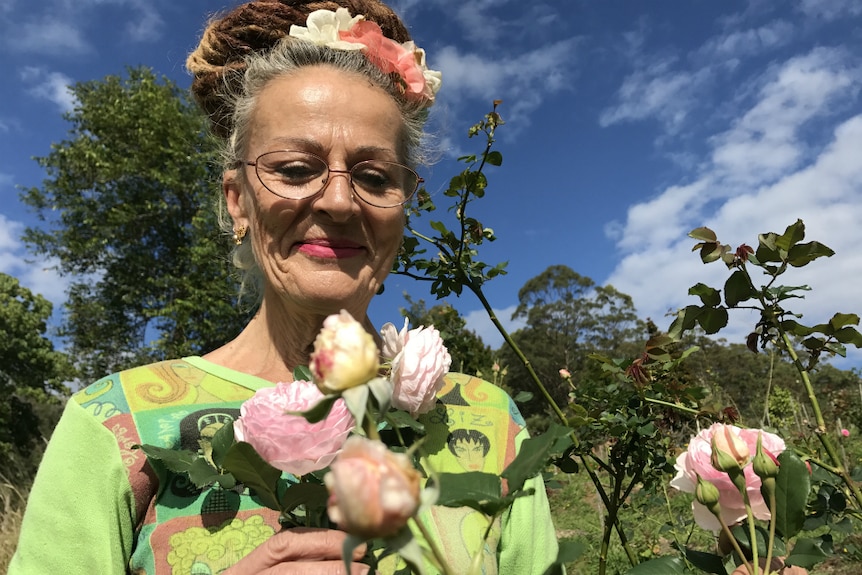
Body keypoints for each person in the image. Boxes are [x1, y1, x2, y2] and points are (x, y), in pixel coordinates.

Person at [9, 1, 559, 573]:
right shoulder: (113, 425)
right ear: (238, 200)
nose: (340, 201)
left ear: (404, 208)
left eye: (374, 177)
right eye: (296, 169)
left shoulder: (488, 420)